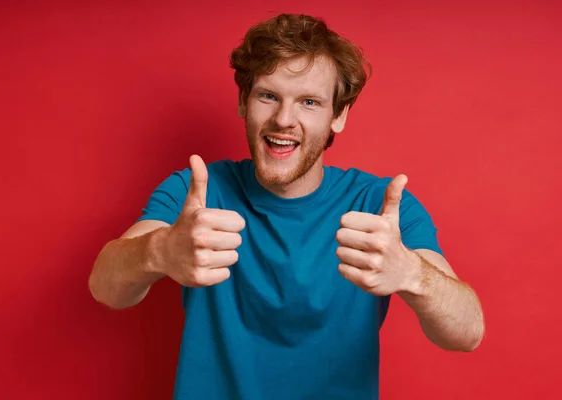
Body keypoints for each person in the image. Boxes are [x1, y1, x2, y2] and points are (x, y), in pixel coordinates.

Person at [89, 13, 485, 400]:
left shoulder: (380, 206)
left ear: (339, 116)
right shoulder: (196, 192)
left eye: (309, 102)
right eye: (268, 95)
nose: (283, 119)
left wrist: (412, 273)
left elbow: (467, 333)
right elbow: (106, 288)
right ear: (244, 102)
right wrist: (161, 250)